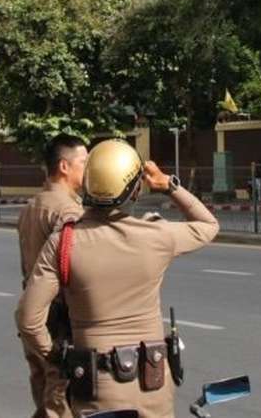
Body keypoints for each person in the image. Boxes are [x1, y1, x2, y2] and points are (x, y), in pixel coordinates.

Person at [16, 140, 218, 418]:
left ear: (87, 183)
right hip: (152, 381)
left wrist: (57, 357)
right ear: (135, 190)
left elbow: (28, 319)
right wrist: (169, 185)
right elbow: (209, 225)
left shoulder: (64, 241)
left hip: (95, 387)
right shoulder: (157, 236)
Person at [16, 136, 87, 418]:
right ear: (64, 166)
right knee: (60, 403)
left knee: (43, 394)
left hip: (36, 317)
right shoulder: (68, 211)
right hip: (59, 324)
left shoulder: (33, 205)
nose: (89, 168)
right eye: (84, 162)